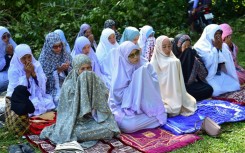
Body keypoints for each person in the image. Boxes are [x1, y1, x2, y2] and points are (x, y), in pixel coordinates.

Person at [40, 54, 120, 145]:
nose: (86, 72)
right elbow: (68, 114)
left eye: (88, 68)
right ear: (76, 70)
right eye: (83, 69)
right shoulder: (69, 86)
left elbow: (104, 106)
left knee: (109, 129)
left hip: (93, 120)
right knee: (71, 133)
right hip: (75, 123)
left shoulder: (95, 81)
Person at [109, 41, 167, 133]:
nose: (136, 57)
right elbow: (118, 98)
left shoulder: (143, 64)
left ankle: (149, 115)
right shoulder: (120, 72)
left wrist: (142, 77)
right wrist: (136, 82)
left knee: (162, 113)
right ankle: (150, 119)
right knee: (128, 125)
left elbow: (153, 86)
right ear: (124, 57)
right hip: (124, 109)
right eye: (131, 55)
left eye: (137, 53)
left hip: (144, 104)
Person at [150, 35, 197, 116]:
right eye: (164, 47)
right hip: (161, 95)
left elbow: (178, 84)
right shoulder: (153, 63)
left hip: (176, 93)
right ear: (158, 47)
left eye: (169, 46)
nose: (168, 49)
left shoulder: (175, 60)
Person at [6, 44, 55, 116]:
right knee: (30, 106)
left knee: (49, 102)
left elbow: (43, 81)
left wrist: (34, 73)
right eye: (23, 58)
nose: (27, 60)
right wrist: (27, 75)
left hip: (36, 94)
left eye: (29, 57)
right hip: (21, 97)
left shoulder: (36, 64)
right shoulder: (14, 69)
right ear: (18, 58)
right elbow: (17, 90)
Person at [193, 24, 240, 96]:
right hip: (209, 77)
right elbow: (207, 64)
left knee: (236, 85)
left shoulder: (222, 45)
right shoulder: (199, 47)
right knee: (216, 91)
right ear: (210, 34)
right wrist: (216, 49)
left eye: (219, 34)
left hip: (219, 74)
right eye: (216, 34)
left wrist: (221, 48)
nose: (218, 36)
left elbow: (227, 62)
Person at [172, 34, 213, 101]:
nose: (187, 48)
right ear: (178, 47)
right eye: (185, 46)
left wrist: (194, 60)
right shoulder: (173, 57)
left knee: (208, 89)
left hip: (191, 86)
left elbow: (204, 74)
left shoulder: (192, 54)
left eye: (189, 46)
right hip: (179, 86)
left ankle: (188, 97)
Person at [39, 32, 72, 106]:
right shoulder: (44, 59)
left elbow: (74, 68)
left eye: (60, 45)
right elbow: (43, 81)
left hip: (68, 81)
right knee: (62, 99)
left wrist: (67, 68)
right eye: (55, 47)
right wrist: (57, 71)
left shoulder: (64, 53)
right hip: (53, 87)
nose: (59, 49)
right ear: (49, 46)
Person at [0, 26, 17, 93]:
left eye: (8, 36)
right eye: (4, 37)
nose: (7, 39)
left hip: (11, 71)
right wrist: (8, 55)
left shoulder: (11, 43)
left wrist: (12, 54)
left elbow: (21, 57)